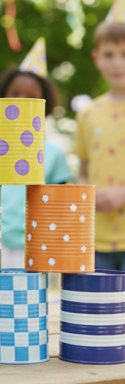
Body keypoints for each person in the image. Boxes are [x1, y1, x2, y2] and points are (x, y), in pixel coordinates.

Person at [0, 64, 74, 279]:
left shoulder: (53, 152)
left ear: (45, 105)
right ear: (2, 96)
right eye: (15, 93)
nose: (21, 100)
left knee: (32, 305)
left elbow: (61, 204)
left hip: (36, 246)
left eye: (31, 96)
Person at [75, 20, 125, 271]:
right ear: (96, 58)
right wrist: (87, 193)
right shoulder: (87, 114)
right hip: (95, 239)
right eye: (109, 55)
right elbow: (83, 171)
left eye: (124, 55)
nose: (117, 62)